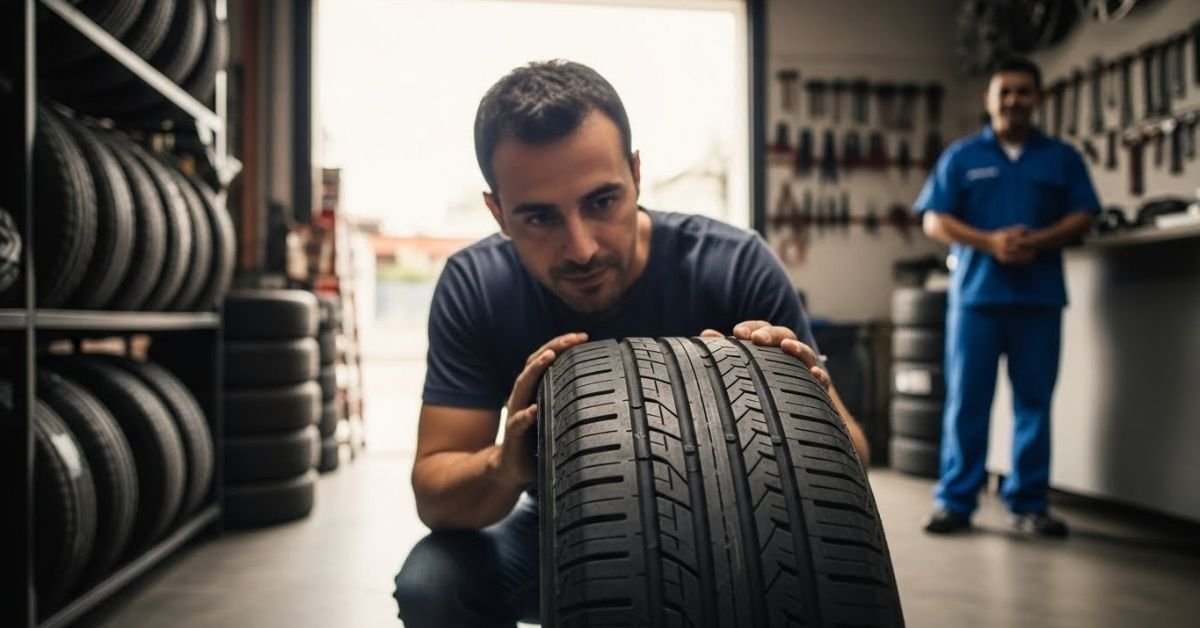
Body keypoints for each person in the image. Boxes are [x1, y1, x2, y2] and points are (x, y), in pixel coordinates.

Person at [391, 59, 870, 628]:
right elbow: (434, 493)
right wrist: (504, 464)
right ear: (498, 212)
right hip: (559, 523)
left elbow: (856, 457)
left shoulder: (734, 266)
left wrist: (800, 406)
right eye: (540, 218)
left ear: (636, 175)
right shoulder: (477, 286)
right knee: (433, 585)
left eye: (601, 202)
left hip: (730, 523)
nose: (581, 248)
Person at [914, 56, 1099, 537]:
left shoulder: (1062, 158)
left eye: (1023, 91)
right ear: (990, 99)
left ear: (1038, 98)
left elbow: (1084, 214)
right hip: (976, 300)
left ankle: (1029, 504)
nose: (1014, 100)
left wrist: (1038, 240)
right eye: (1005, 92)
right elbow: (934, 219)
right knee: (967, 402)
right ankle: (956, 503)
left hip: (1039, 300)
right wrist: (990, 242)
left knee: (1033, 404)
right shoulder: (961, 157)